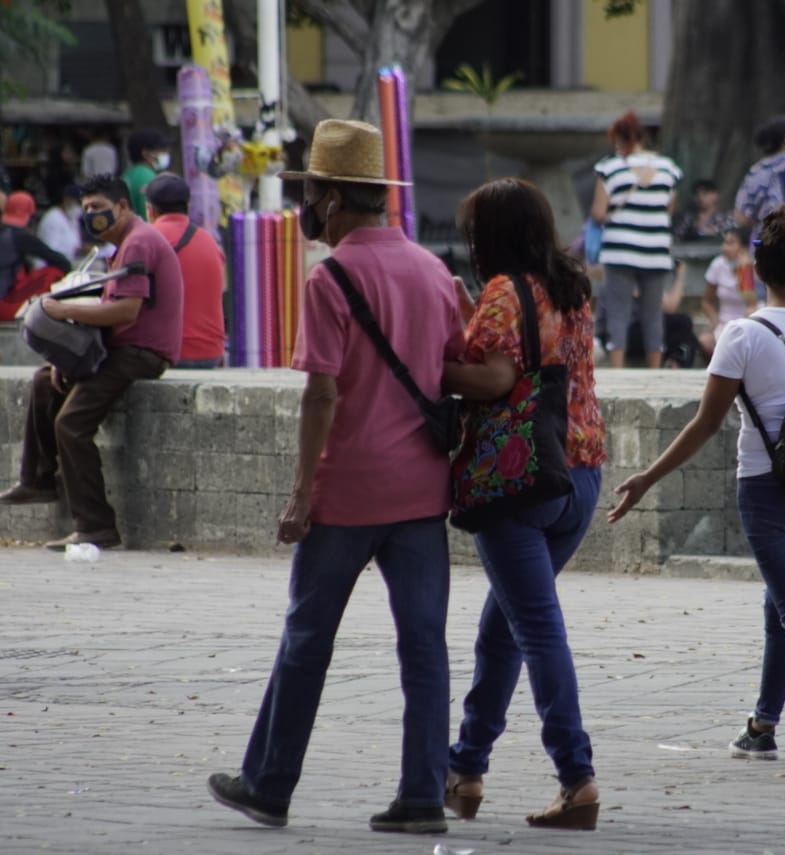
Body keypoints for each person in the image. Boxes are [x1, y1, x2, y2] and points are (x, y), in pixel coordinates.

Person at [206, 119, 460, 834]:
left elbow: (321, 393)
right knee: (424, 645)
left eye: (311, 194)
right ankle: (421, 794)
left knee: (307, 639)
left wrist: (300, 494)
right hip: (421, 495)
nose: (307, 208)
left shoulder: (332, 277)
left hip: (346, 493)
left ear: (332, 198)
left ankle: (268, 782)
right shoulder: (433, 270)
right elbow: (454, 367)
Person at [611, 205, 785, 768]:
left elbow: (704, 424)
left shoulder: (742, 336)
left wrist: (646, 478)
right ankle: (763, 725)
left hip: (767, 491)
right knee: (783, 602)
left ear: (757, 273)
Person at [443, 178, 606, 830]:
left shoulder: (503, 293)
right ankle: (466, 766)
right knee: (504, 628)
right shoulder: (572, 286)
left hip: (518, 480)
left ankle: (577, 776)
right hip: (580, 474)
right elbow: (532, 357)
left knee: (536, 629)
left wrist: (434, 368)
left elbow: (497, 376)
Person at [0, 174, 182, 550]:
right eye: (86, 210)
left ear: (123, 207)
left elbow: (127, 311)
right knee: (43, 381)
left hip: (141, 353)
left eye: (99, 208)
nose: (92, 216)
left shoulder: (138, 242)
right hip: (118, 348)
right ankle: (38, 479)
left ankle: (96, 525)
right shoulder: (120, 245)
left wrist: (64, 309)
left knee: (71, 424)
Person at [592, 110, 683, 369]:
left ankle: (618, 369)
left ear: (619, 140)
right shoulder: (669, 168)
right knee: (653, 314)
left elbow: (598, 213)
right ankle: (654, 369)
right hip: (656, 250)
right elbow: (668, 209)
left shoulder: (608, 168)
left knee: (618, 312)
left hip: (619, 250)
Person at [144, 174, 226, 368]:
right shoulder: (209, 241)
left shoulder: (146, 240)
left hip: (171, 353)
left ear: (150, 210)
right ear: (188, 207)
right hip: (212, 352)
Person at [0, 191, 73, 322]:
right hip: (4, 306)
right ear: (29, 215)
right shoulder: (20, 236)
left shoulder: (6, 232)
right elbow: (62, 263)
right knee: (53, 272)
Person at [699, 225, 756, 357]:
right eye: (724, 243)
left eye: (730, 243)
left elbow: (750, 304)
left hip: (747, 322)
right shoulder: (717, 264)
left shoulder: (753, 267)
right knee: (705, 341)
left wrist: (744, 272)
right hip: (724, 323)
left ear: (743, 248)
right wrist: (716, 323)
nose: (724, 248)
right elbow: (706, 302)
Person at [122, 129, 170, 221]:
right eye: (161, 150)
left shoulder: (128, 174)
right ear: (146, 153)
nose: (166, 154)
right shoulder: (147, 177)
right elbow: (147, 217)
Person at [37, 184, 83, 262]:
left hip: (69, 261)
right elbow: (50, 252)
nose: (81, 207)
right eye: (79, 203)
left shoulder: (72, 218)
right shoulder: (53, 218)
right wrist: (77, 250)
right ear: (67, 200)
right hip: (52, 267)